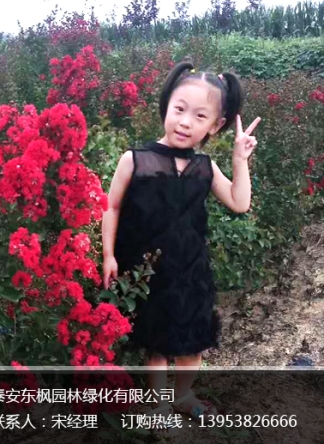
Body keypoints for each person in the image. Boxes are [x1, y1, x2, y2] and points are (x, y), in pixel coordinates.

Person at [102, 61, 260, 434]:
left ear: (216, 125)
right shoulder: (136, 159)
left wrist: (239, 160)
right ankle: (159, 405)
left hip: (191, 271)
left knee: (193, 343)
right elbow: (112, 207)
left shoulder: (205, 166)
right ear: (166, 107)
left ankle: (183, 396)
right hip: (146, 272)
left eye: (199, 116)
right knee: (157, 346)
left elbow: (239, 202)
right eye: (179, 109)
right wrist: (108, 255)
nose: (185, 122)